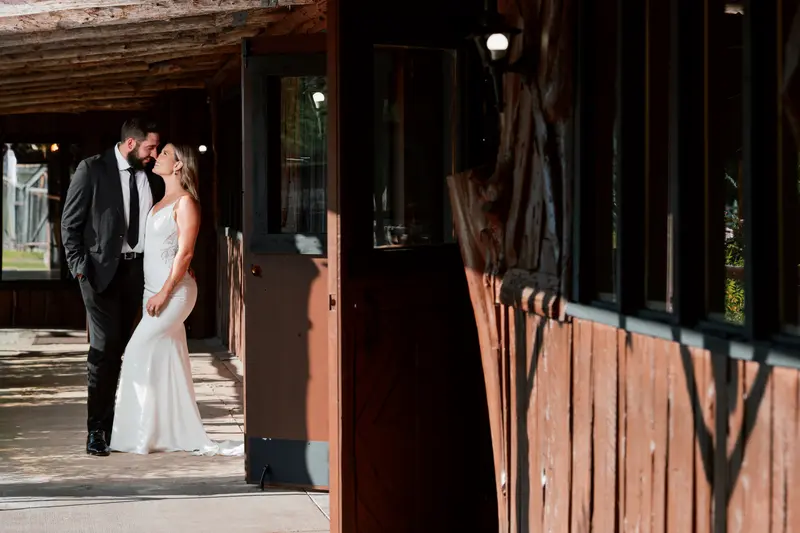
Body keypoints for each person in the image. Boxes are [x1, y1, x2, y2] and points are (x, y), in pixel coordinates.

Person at [108, 143, 242, 456]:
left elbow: (186, 252)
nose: (157, 156)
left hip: (173, 293)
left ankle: (136, 435)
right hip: (152, 291)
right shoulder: (160, 201)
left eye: (165, 153)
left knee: (136, 350)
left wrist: (165, 292)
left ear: (180, 165)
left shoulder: (186, 203)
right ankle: (163, 434)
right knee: (165, 360)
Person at [62, 118, 164, 456]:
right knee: (105, 350)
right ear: (132, 144)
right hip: (100, 276)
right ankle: (98, 431)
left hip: (142, 274)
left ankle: (127, 424)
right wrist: (80, 270)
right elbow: (70, 225)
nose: (155, 154)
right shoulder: (91, 170)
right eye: (150, 147)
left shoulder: (153, 176)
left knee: (130, 350)